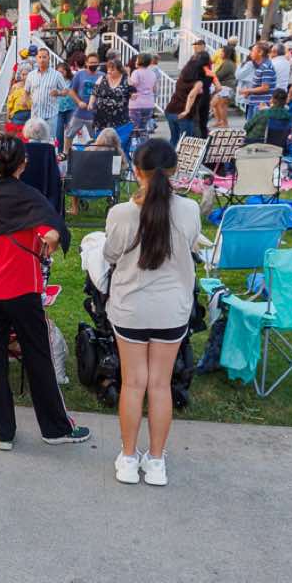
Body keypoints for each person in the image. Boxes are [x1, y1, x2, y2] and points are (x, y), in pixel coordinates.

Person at [0, 133, 88, 452]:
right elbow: (51, 232)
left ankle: (3, 433)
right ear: (24, 163)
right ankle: (55, 428)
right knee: (38, 358)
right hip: (22, 290)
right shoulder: (31, 198)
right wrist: (49, 243)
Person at [101, 138, 199, 485]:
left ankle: (129, 458)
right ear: (175, 170)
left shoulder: (121, 213)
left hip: (131, 309)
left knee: (133, 384)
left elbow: (110, 254)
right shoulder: (189, 210)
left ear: (136, 170)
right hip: (172, 310)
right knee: (159, 385)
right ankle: (156, 461)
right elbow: (191, 244)